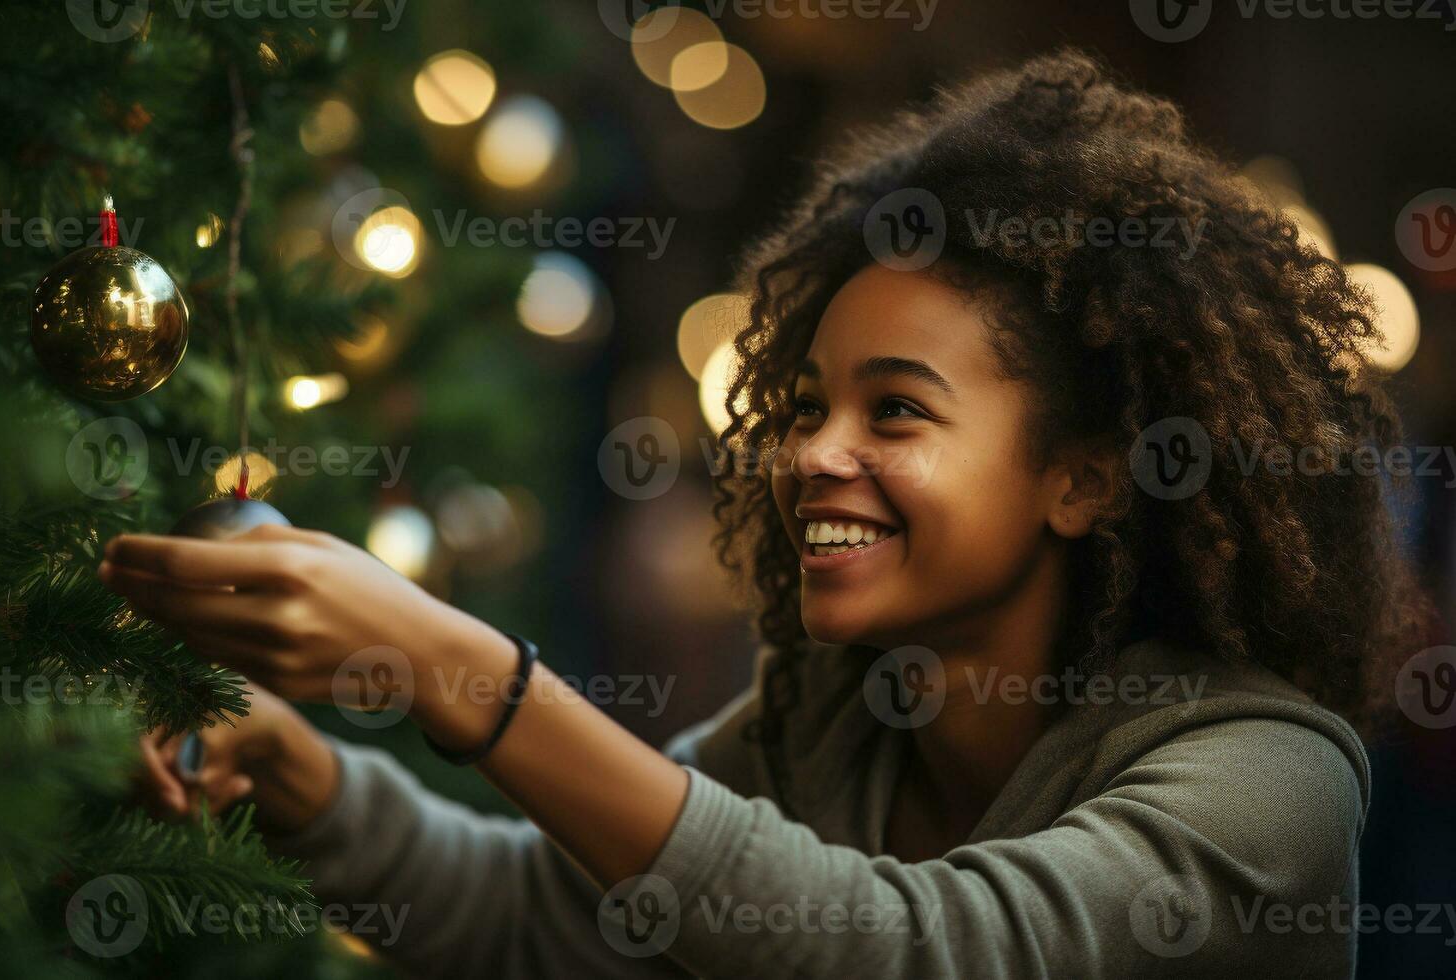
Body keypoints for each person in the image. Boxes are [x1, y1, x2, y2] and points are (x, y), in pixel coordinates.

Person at [103, 49, 1432, 978]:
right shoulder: (836, 715)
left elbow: (909, 953)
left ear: (1081, 475)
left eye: (894, 412)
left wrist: (467, 674)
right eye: (800, 407)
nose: (810, 455)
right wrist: (306, 781)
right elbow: (549, 924)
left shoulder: (1269, 782)